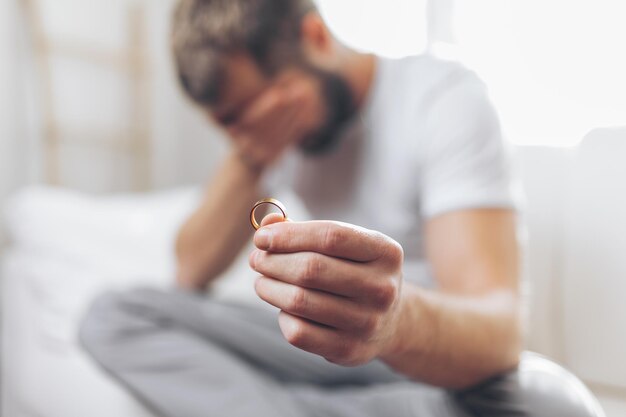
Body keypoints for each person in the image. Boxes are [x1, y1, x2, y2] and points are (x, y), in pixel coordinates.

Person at [79, 1, 603, 416]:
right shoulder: (264, 139)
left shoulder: (441, 98)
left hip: (423, 359)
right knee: (114, 316)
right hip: (325, 356)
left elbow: (498, 334)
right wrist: (252, 155)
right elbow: (188, 270)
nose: (242, 135)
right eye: (227, 125)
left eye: (249, 113)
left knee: (551, 406)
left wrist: (393, 320)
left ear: (317, 38)